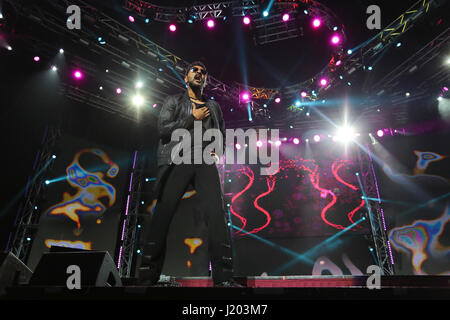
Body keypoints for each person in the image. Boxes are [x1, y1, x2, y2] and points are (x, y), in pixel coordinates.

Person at [138, 61, 240, 287]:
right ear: (186, 78)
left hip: (204, 160)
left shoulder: (213, 106)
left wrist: (217, 149)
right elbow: (163, 129)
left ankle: (224, 278)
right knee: (163, 213)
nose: (200, 73)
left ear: (205, 80)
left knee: (217, 214)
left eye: (203, 72)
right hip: (178, 158)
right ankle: (147, 276)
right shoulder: (174, 101)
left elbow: (221, 133)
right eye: (195, 70)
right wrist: (191, 118)